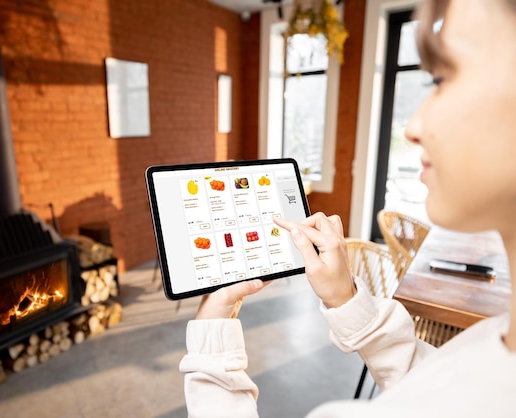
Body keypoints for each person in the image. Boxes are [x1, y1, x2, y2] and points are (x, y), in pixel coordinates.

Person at [179, 0, 516, 416]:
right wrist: (345, 296)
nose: (412, 127)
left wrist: (214, 329)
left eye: (443, 80)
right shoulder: (495, 344)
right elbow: (426, 379)